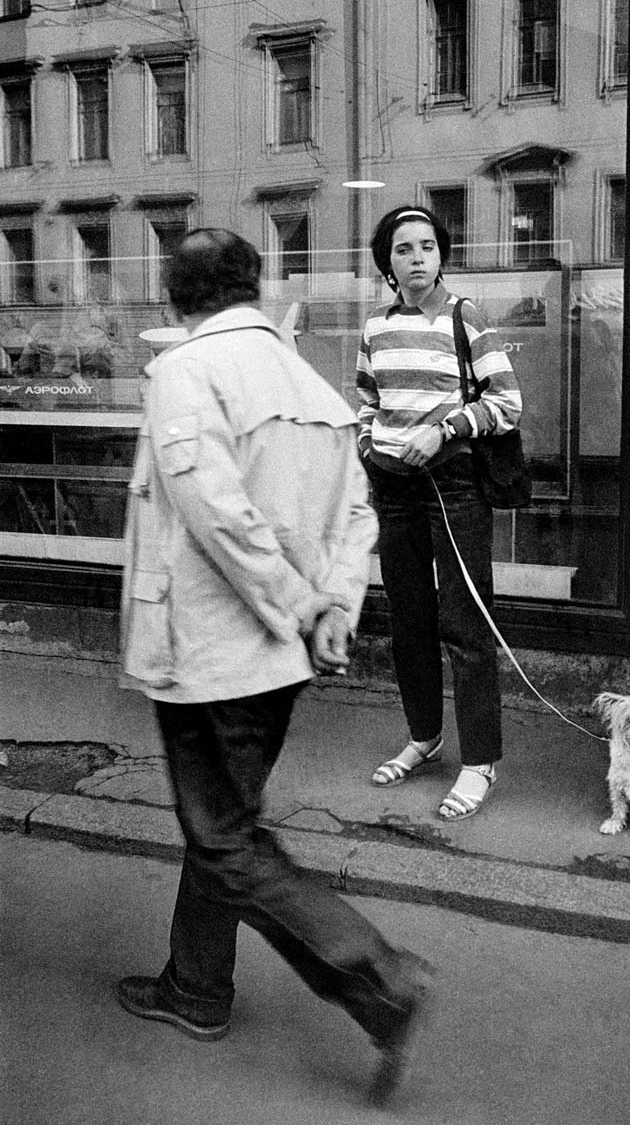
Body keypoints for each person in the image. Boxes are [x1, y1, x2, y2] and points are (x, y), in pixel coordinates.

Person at [117, 228, 431, 1105]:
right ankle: (195, 987)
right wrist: (329, 607)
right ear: (251, 287)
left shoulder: (187, 372)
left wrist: (303, 604)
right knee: (224, 823)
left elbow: (215, 516)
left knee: (223, 838)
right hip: (282, 655)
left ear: (177, 298)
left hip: (210, 652)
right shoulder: (308, 381)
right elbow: (354, 516)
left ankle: (379, 981)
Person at [357, 206, 523, 821]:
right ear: (389, 261)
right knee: (410, 620)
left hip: (453, 485)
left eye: (428, 246)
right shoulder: (375, 325)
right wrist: (367, 444)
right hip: (394, 487)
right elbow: (366, 399)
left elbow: (507, 403)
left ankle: (480, 762)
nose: (418, 258)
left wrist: (447, 428)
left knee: (464, 624)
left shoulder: (466, 317)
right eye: (404, 249)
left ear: (441, 255)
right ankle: (424, 738)